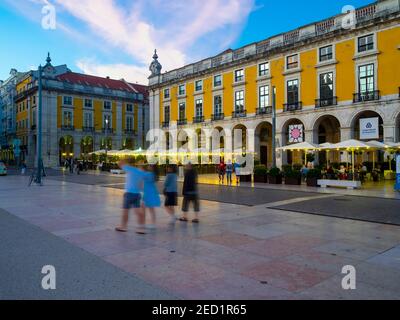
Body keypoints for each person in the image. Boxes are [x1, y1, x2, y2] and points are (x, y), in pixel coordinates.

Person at [115, 159, 147, 234]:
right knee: (138, 212)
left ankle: (124, 227)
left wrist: (125, 159)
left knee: (125, 211)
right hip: (137, 194)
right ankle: (141, 228)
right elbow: (142, 184)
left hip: (129, 194)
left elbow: (119, 163)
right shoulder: (141, 172)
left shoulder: (129, 168)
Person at [142, 164, 161, 230]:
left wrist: (141, 169)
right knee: (150, 209)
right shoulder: (153, 174)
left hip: (148, 193)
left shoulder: (149, 174)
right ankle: (152, 223)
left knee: (147, 208)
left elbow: (141, 175)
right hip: (151, 192)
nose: (148, 166)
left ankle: (148, 223)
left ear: (152, 167)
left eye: (149, 165)